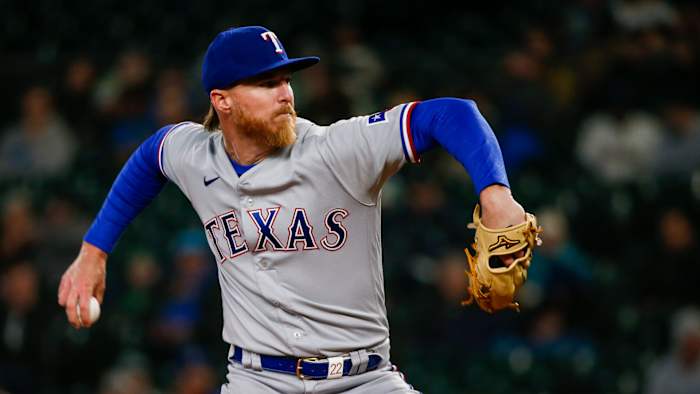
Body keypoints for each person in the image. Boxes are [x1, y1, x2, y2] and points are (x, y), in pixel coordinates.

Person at [58, 25, 530, 393]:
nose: (285, 93)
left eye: (286, 79)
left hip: (362, 380)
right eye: (266, 84)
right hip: (256, 381)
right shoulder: (195, 153)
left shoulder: (336, 149)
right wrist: (93, 251)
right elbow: (151, 157)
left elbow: (452, 114)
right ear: (221, 101)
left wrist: (495, 193)